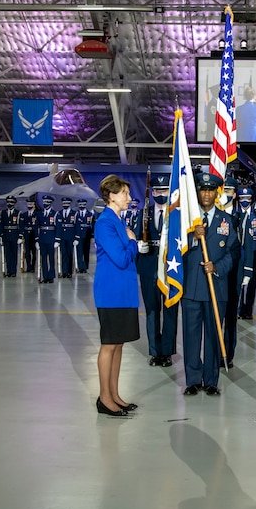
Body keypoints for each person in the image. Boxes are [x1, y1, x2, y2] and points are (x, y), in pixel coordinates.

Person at [181, 172, 239, 396]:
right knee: (191, 336)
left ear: (216, 193)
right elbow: (174, 251)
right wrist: (192, 238)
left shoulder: (227, 221)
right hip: (191, 288)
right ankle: (193, 379)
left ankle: (212, 379)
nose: (206, 194)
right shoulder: (188, 221)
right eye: (203, 189)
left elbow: (234, 252)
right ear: (198, 192)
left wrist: (217, 267)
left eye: (210, 190)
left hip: (216, 287)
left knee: (214, 334)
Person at [93, 174, 141, 417]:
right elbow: (122, 258)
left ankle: (114, 394)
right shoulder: (105, 223)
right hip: (111, 293)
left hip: (123, 292)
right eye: (124, 194)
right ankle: (104, 398)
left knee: (118, 344)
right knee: (109, 345)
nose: (129, 198)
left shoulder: (117, 221)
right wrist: (133, 243)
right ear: (111, 196)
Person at [134, 175, 178, 368]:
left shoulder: (176, 214)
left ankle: (167, 352)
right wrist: (138, 245)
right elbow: (135, 236)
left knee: (169, 311)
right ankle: (155, 351)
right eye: (158, 191)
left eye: (165, 191)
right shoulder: (144, 214)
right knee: (152, 311)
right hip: (149, 266)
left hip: (170, 268)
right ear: (152, 193)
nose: (161, 195)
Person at [221, 176, 243, 367]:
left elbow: (246, 247)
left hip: (233, 273)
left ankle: (228, 354)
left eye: (228, 191)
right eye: (222, 190)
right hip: (215, 272)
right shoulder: (211, 216)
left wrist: (246, 272)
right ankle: (215, 351)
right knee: (214, 316)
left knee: (230, 316)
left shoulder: (240, 217)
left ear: (234, 194)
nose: (224, 194)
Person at [237, 186, 256, 319]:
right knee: (238, 280)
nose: (244, 201)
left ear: (252, 199)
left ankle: (248, 310)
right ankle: (239, 307)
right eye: (242, 198)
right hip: (239, 251)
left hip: (253, 251)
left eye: (247, 198)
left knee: (251, 281)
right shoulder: (235, 214)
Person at [0, 195, 23, 278]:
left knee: (14, 254)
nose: (9, 204)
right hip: (6, 235)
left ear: (14, 203)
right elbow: (0, 225)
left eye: (11, 202)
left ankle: (13, 271)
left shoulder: (18, 213)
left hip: (14, 235)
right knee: (7, 254)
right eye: (8, 202)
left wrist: (20, 236)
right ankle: (8, 271)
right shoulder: (3, 213)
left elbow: (20, 225)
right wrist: (0, 236)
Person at [36, 195, 58, 283]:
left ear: (50, 203)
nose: (45, 204)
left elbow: (57, 227)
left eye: (47, 202)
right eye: (44, 202)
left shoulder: (55, 214)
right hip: (42, 239)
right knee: (43, 258)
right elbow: (36, 227)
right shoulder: (39, 214)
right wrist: (37, 240)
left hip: (51, 238)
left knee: (51, 258)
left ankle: (51, 276)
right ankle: (45, 276)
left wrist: (57, 239)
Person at [56, 197, 77, 278]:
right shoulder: (59, 213)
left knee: (69, 254)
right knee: (63, 254)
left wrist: (76, 237)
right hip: (62, 237)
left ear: (69, 204)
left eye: (67, 203)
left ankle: (69, 272)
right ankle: (64, 271)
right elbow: (58, 226)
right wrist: (57, 238)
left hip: (70, 236)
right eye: (64, 203)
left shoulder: (74, 213)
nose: (65, 205)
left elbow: (76, 226)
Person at [74, 199, 95, 273]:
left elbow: (92, 225)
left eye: (83, 204)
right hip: (79, 236)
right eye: (80, 204)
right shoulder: (76, 214)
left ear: (85, 205)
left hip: (87, 236)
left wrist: (92, 236)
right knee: (79, 252)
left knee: (86, 252)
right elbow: (75, 225)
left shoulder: (90, 214)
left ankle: (85, 267)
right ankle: (80, 266)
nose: (81, 206)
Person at [21, 197, 39, 273]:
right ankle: (29, 266)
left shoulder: (37, 214)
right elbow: (22, 225)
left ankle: (33, 266)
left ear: (34, 205)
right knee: (27, 252)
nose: (29, 205)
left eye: (31, 204)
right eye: (28, 204)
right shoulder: (24, 215)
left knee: (34, 252)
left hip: (34, 235)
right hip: (27, 235)